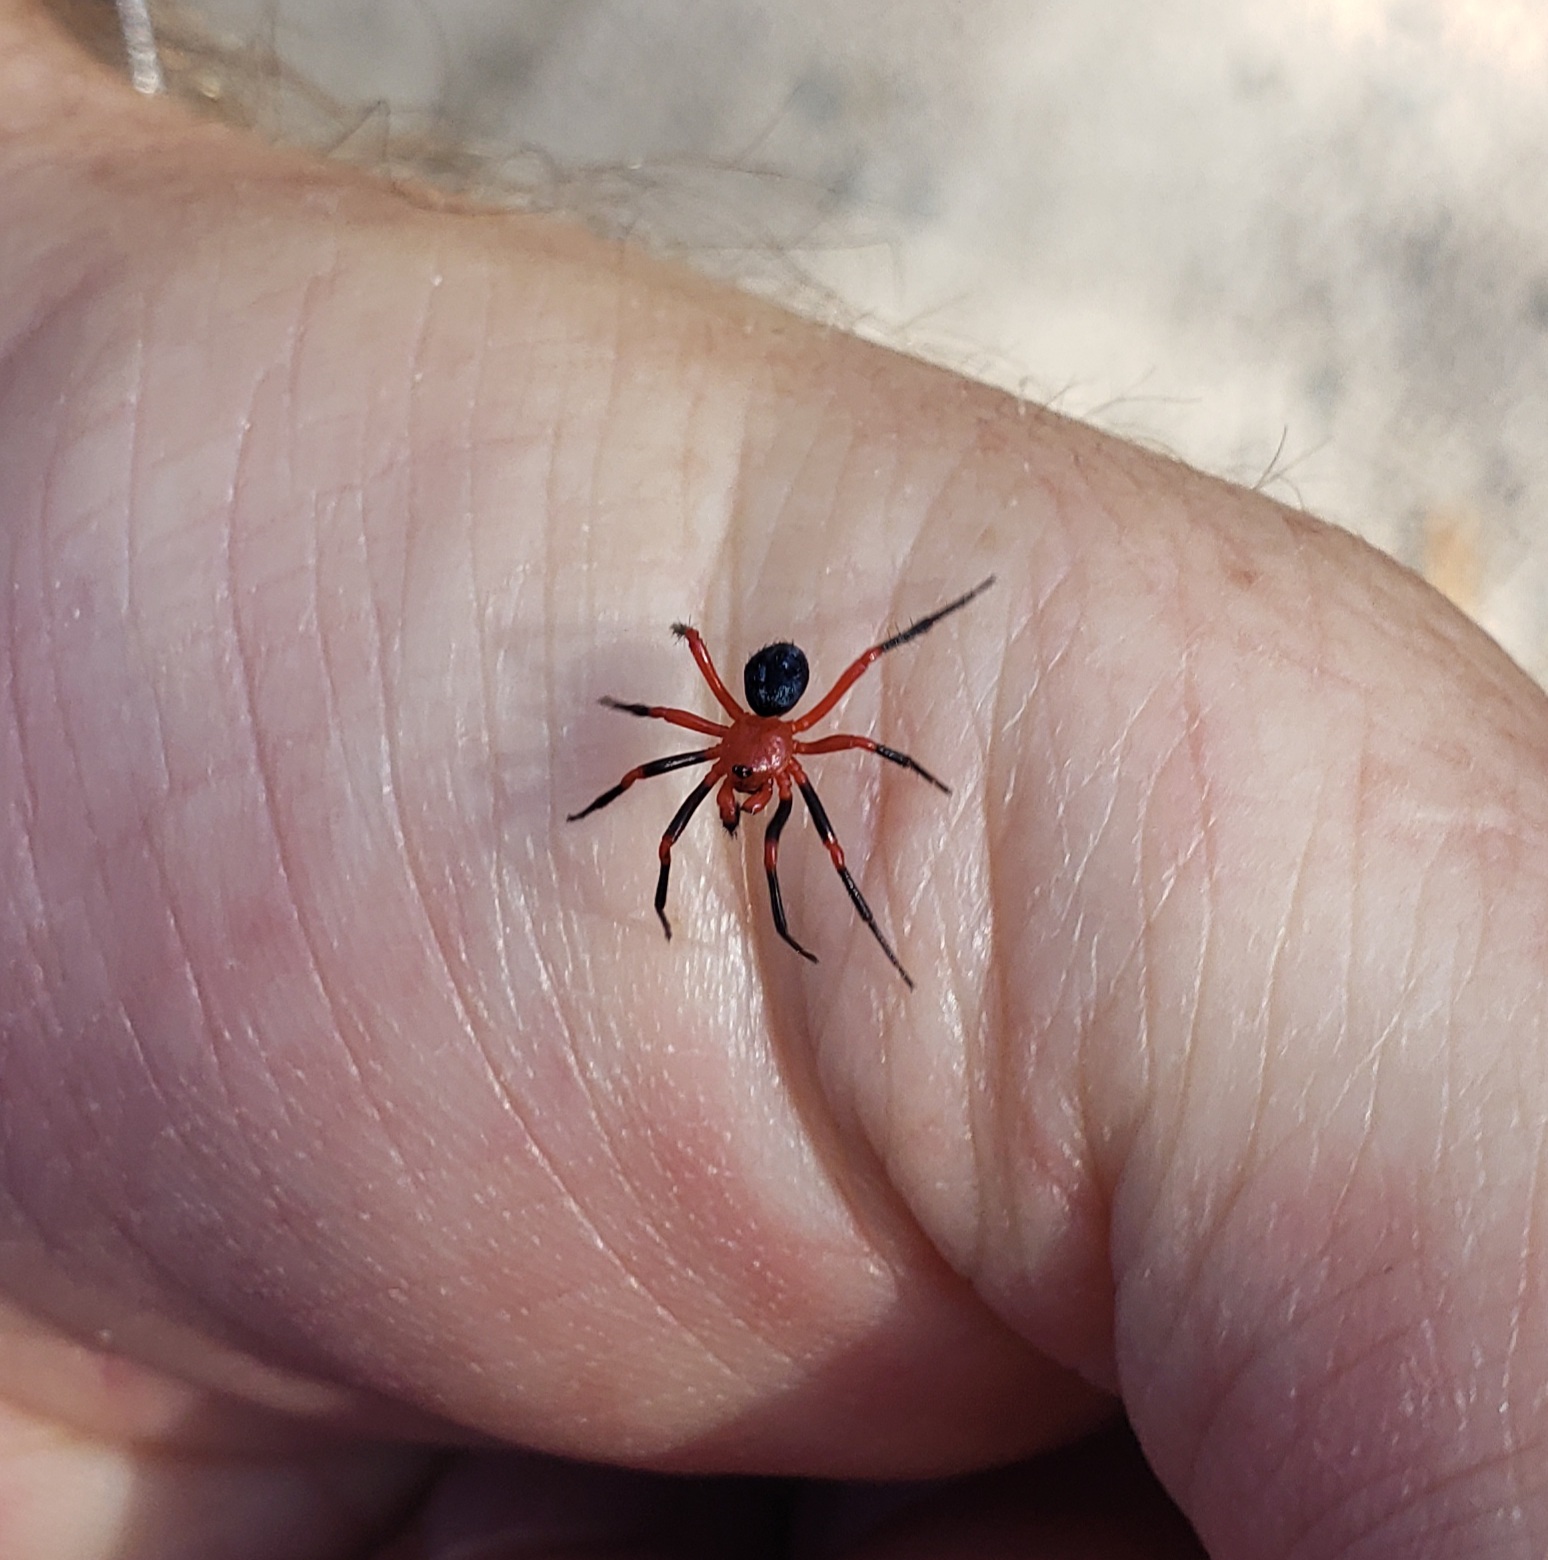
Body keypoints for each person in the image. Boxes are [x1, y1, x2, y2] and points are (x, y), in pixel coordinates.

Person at [2, 2, 1544, 1554]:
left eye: (743, 780)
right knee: (690, 820)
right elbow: (688, 752)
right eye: (739, 775)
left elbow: (795, 746)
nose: (739, 791)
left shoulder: (792, 742)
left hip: (787, 707)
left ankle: (834, 923)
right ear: (736, 731)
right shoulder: (719, 742)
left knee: (815, 853)